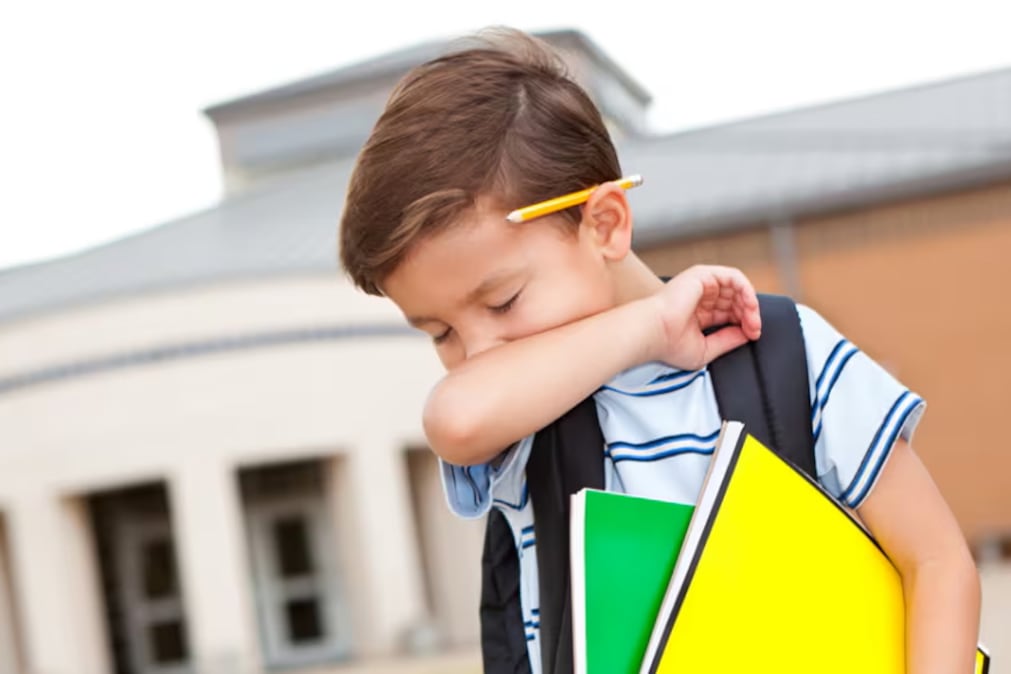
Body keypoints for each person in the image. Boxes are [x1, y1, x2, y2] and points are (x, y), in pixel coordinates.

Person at [338, 27, 980, 674]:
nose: (478, 351)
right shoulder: (522, 413)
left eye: (502, 302)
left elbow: (934, 561)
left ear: (606, 224)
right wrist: (650, 328)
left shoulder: (784, 354)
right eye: (440, 334)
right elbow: (457, 419)